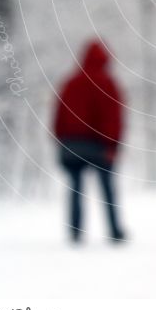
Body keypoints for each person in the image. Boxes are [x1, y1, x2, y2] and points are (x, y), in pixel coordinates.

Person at [53, 39, 126, 242]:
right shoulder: (107, 83)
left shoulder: (70, 82)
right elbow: (114, 117)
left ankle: (75, 232)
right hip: (99, 146)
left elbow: (58, 115)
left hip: (72, 145)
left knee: (75, 188)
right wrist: (113, 145)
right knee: (107, 188)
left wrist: (61, 141)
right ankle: (114, 231)